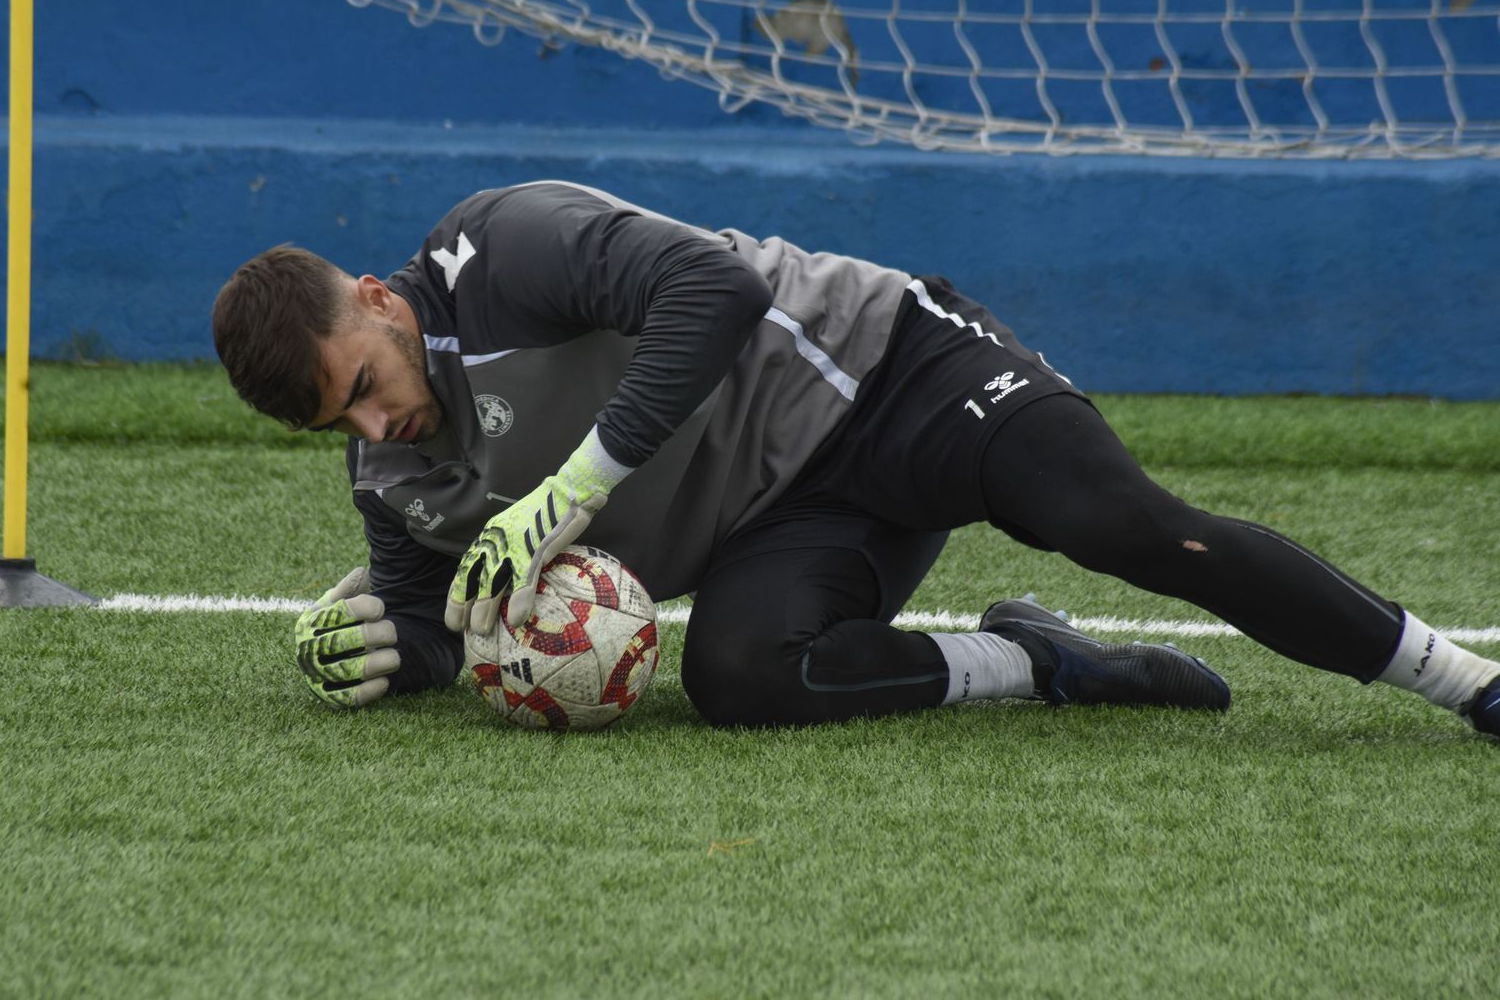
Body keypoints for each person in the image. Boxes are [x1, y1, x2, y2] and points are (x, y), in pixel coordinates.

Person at [212, 180, 1499, 735]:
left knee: (1122, 524)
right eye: (341, 429)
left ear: (379, 302)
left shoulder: (503, 247)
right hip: (795, 516)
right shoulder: (396, 479)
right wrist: (387, 651)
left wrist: (573, 491)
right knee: (738, 679)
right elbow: (448, 624)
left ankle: (1462, 682)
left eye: (364, 391)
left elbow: (707, 292)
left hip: (896, 371)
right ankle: (1038, 659)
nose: (374, 432)